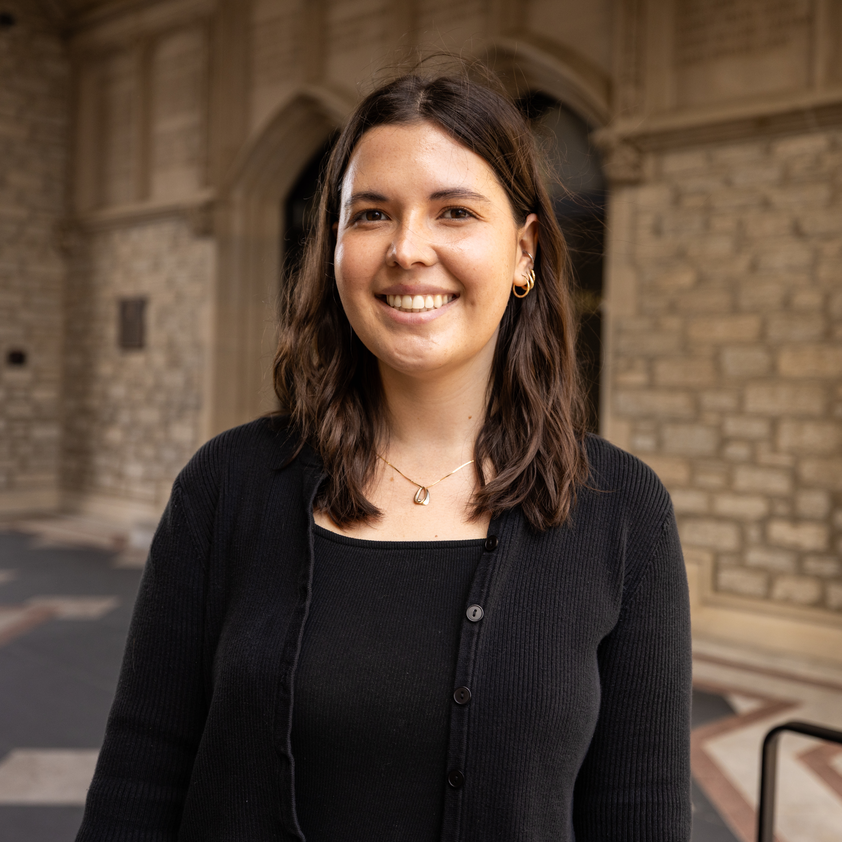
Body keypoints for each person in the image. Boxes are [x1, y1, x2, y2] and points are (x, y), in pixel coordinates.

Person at [76, 70, 691, 842]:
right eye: (371, 215)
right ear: (334, 247)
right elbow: (140, 778)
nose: (407, 249)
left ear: (524, 252)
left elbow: (641, 814)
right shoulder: (227, 485)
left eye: (454, 212)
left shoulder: (620, 508)